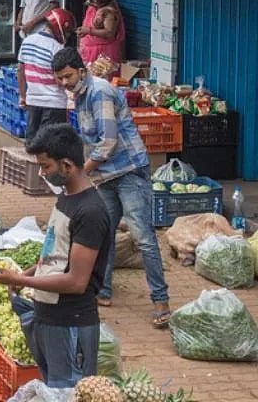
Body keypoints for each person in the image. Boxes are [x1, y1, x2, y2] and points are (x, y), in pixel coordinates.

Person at [51, 47, 171, 328]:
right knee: (102, 234)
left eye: (67, 76)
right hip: (105, 176)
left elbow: (108, 142)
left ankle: (160, 300)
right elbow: (89, 142)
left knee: (143, 237)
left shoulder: (99, 91)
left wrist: (80, 173)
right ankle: (101, 291)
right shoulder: (80, 95)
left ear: (81, 70)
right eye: (60, 79)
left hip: (128, 171)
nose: (64, 83)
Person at [0, 123, 111, 389]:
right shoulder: (67, 197)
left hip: (71, 324)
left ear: (67, 165)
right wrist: (24, 276)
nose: (43, 173)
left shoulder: (90, 212)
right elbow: (53, 256)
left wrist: (24, 281)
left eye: (46, 167)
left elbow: (76, 281)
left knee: (69, 392)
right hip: (48, 318)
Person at [18, 8, 75, 141]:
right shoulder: (57, 48)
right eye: (67, 32)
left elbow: (20, 71)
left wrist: (23, 96)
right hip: (54, 104)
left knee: (33, 146)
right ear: (60, 27)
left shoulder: (27, 41)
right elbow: (60, 79)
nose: (67, 36)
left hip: (32, 101)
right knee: (52, 148)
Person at [77, 0, 125, 68]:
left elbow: (109, 33)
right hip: (88, 52)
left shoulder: (109, 11)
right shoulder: (92, 8)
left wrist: (89, 31)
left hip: (104, 53)